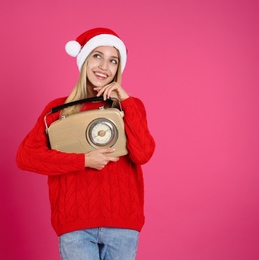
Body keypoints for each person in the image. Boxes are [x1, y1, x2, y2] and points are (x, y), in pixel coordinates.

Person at [16, 27, 155, 260]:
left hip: (123, 223)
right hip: (75, 224)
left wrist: (125, 100)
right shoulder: (58, 111)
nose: (104, 66)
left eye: (113, 60)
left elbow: (142, 154)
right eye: (97, 56)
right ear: (84, 60)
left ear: (118, 68)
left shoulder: (131, 106)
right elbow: (26, 157)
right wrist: (84, 160)